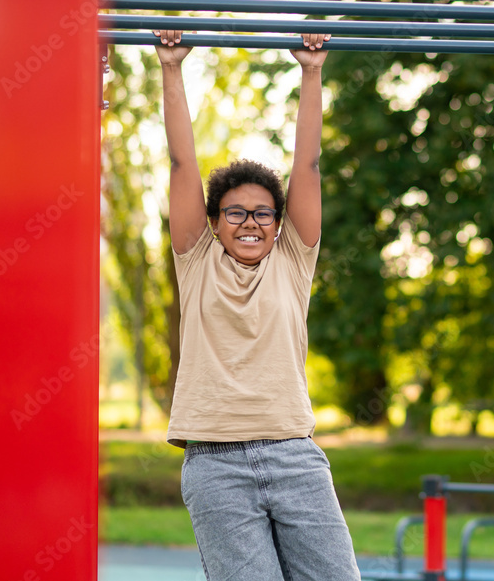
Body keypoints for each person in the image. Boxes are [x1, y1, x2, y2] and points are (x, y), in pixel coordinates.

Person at [153, 29, 360, 581]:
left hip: (294, 456)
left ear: (279, 222)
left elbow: (309, 167)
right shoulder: (196, 261)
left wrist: (311, 74)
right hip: (216, 466)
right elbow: (181, 166)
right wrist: (172, 69)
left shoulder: (293, 260)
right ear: (214, 223)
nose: (250, 222)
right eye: (236, 212)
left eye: (263, 212)